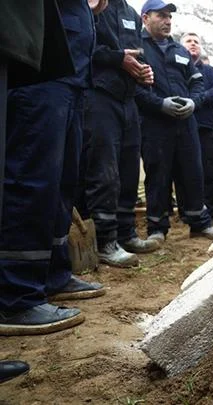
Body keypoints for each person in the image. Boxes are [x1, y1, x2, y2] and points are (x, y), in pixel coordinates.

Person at [0, 0, 107, 336]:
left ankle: (53, 274)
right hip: (39, 71)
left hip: (72, 77)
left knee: (63, 184)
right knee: (33, 180)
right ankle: (15, 294)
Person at [79, 0, 159, 269]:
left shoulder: (131, 14)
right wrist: (118, 59)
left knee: (127, 169)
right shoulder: (93, 6)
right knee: (104, 171)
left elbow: (138, 53)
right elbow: (85, 48)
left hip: (128, 99)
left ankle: (127, 234)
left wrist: (143, 70)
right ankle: (105, 240)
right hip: (99, 95)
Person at [136, 0, 213, 242]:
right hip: (154, 123)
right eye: (161, 15)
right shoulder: (136, 47)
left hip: (186, 122)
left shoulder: (180, 50)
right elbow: (134, 89)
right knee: (158, 173)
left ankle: (199, 222)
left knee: (192, 171)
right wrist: (159, 104)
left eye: (169, 17)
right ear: (145, 18)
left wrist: (194, 102)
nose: (167, 21)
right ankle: (156, 228)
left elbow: (197, 82)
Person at [181, 32, 213, 217]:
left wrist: (196, 100)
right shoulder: (176, 70)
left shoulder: (210, 71)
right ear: (180, 46)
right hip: (182, 126)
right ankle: (187, 211)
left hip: (206, 128)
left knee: (208, 170)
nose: (193, 44)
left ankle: (209, 211)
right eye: (189, 41)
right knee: (186, 171)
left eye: (196, 42)